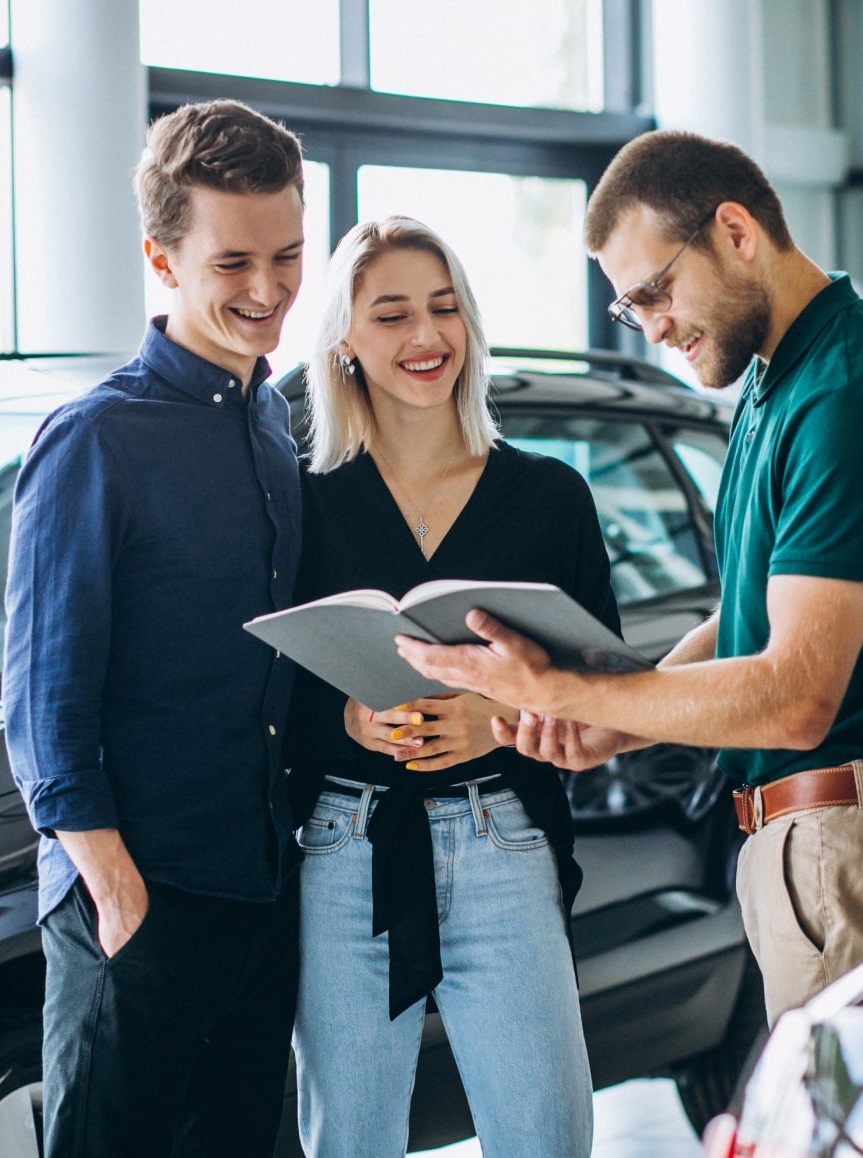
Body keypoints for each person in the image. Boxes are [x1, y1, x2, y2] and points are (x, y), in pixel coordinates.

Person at [397, 130, 863, 1025]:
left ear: (736, 233)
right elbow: (749, 618)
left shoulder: (848, 396)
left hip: (856, 845)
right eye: (630, 307)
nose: (653, 326)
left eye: (655, 291)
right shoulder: (779, 383)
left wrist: (561, 688)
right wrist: (610, 720)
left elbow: (795, 697)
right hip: (828, 844)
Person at [3, 99, 306, 1156]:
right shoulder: (95, 439)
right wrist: (113, 886)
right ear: (161, 258)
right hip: (136, 904)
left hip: (259, 896)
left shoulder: (274, 423)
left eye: (287, 255)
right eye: (233, 264)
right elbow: (43, 702)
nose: (268, 288)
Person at [285, 215, 613, 1157]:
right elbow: (265, 696)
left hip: (502, 835)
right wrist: (349, 717)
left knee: (547, 1139)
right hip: (344, 846)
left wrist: (497, 720)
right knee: (349, 1141)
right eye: (392, 315)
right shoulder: (304, 498)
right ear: (344, 341)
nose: (426, 337)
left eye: (444, 309)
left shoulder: (549, 496)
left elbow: (605, 687)